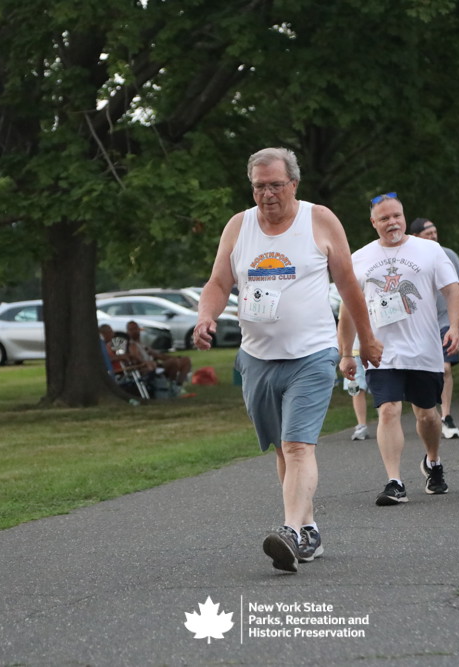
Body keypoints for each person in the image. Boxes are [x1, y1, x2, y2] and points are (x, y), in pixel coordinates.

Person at [194, 147, 382, 573]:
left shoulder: (319, 219)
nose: (267, 194)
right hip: (257, 358)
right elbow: (219, 282)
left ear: (293, 183)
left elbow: (348, 284)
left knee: (298, 445)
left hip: (312, 354)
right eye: (259, 186)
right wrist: (206, 316)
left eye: (276, 185)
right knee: (283, 447)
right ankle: (308, 529)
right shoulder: (238, 226)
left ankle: (291, 531)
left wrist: (365, 340)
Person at [338, 193, 459, 506]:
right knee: (389, 409)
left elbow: (453, 291)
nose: (392, 222)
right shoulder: (359, 258)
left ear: (404, 216)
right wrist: (346, 353)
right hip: (380, 350)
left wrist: (455, 326)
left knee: (428, 415)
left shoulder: (429, 250)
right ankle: (395, 481)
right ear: (373, 222)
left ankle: (433, 461)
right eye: (384, 218)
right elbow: (347, 309)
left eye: (397, 216)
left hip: (424, 349)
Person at [408, 217, 459, 438]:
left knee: (445, 368)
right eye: (428, 234)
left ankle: (446, 416)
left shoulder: (448, 255)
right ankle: (430, 415)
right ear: (416, 237)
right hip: (420, 324)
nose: (434, 236)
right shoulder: (407, 259)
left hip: (446, 321)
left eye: (435, 232)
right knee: (424, 372)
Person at [125, 320, 191, 387]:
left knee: (186, 360)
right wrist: (148, 363)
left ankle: (179, 384)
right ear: (128, 332)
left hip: (157, 365)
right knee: (173, 362)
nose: (134, 331)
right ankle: (172, 385)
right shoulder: (132, 345)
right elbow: (137, 358)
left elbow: (158, 355)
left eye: (135, 328)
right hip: (149, 369)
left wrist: (176, 357)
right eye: (131, 329)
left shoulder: (142, 344)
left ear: (139, 329)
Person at [343, 336, 371, 441]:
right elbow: (342, 329)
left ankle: (386, 421)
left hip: (372, 350)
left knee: (379, 388)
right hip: (353, 354)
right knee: (355, 390)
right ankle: (361, 425)